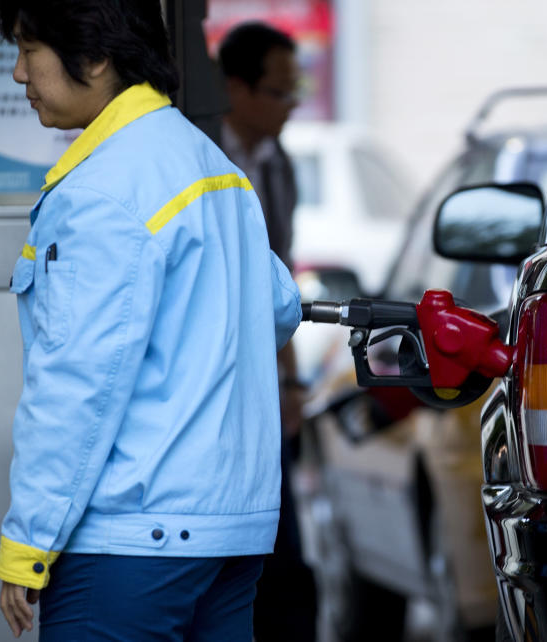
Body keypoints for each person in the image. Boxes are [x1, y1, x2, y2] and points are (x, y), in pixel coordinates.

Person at [0, 2, 303, 640]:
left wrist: (29, 543)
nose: (20, 73)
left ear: (98, 57)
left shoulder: (100, 192)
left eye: (30, 49)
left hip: (132, 543)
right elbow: (277, 309)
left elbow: (77, 386)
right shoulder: (217, 169)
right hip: (229, 539)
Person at [219, 22, 318, 642]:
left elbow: (278, 285)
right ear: (234, 88)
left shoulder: (277, 166)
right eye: (278, 93)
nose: (290, 107)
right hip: (211, 389)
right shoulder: (197, 153)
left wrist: (289, 386)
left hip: (261, 389)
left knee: (283, 558)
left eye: (293, 92)